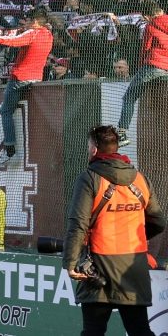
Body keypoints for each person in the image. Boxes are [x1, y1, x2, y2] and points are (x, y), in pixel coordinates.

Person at [63, 125, 165, 336]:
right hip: (133, 266)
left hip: (98, 267)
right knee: (139, 330)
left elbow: (78, 224)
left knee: (93, 330)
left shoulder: (89, 178)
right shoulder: (140, 179)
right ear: (116, 148)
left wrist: (70, 263)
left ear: (94, 149)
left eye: (89, 146)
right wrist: (132, 241)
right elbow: (158, 221)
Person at [0, 8, 53, 163]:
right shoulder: (48, 35)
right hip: (36, 79)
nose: (25, 24)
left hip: (20, 78)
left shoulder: (32, 33)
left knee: (5, 111)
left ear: (34, 22)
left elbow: (12, 42)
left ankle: (10, 152)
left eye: (27, 21)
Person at [119, 1, 168, 147]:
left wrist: (140, 68)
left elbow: (145, 48)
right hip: (166, 69)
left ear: (147, 16)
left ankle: (122, 134)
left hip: (152, 66)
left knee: (129, 97)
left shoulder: (150, 26)